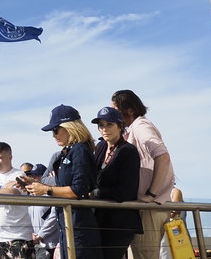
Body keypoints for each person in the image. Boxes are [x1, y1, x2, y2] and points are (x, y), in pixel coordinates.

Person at [26, 105, 100, 259]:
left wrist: (46, 190)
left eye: (55, 130)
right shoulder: (69, 152)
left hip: (79, 226)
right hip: (67, 225)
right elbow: (65, 187)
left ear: (69, 127)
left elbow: (79, 189)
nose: (53, 135)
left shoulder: (79, 150)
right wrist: (38, 186)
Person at [110, 90, 175, 259]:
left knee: (145, 255)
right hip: (145, 207)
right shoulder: (134, 128)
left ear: (130, 110)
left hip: (149, 208)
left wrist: (151, 193)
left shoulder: (140, 126)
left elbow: (163, 156)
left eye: (116, 109)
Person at [90, 107, 142, 259]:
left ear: (120, 126)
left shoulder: (128, 151)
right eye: (101, 125)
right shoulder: (99, 147)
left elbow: (127, 191)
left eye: (109, 124)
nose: (104, 129)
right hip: (99, 220)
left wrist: (96, 193)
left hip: (119, 223)